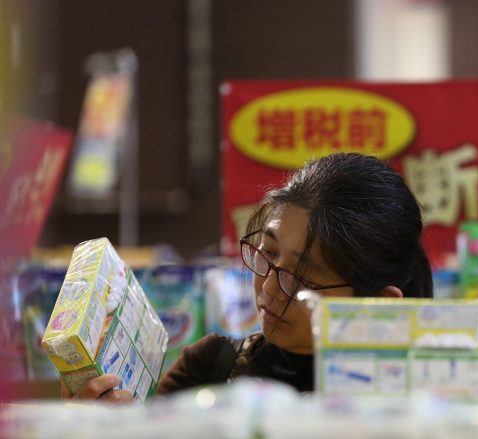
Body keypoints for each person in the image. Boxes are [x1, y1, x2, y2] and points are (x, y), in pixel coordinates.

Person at [64, 152, 433, 402]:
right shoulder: (210, 366)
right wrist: (103, 432)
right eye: (269, 254)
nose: (269, 288)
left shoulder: (424, 398)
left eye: (303, 279)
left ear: (379, 302)